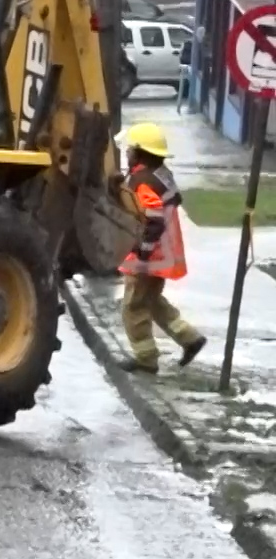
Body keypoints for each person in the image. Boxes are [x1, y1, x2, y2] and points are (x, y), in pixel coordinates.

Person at [117, 123, 207, 375]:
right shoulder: (160, 174)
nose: (126, 153)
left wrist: (141, 253)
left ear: (139, 152)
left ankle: (146, 359)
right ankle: (189, 338)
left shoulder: (142, 181)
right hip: (164, 251)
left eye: (130, 149)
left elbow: (153, 220)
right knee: (151, 300)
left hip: (149, 254)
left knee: (133, 306)